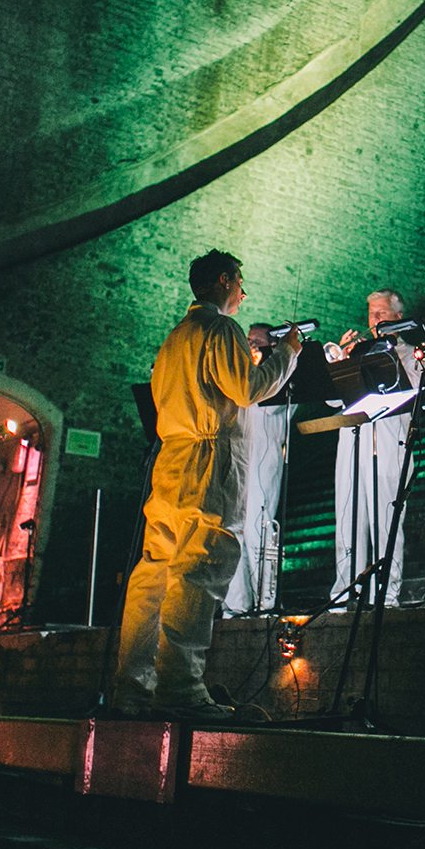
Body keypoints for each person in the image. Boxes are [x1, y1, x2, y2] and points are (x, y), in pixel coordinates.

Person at [113, 250, 299, 721]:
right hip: (208, 459)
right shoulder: (220, 329)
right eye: (240, 282)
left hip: (170, 459)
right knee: (200, 570)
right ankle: (180, 688)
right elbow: (247, 388)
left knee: (154, 574)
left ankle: (134, 688)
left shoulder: (175, 338)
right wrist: (287, 355)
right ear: (223, 281)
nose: (244, 292)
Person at [331, 288, 419, 607]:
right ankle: (346, 589)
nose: (375, 319)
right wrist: (343, 360)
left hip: (389, 441)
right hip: (353, 441)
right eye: (371, 314)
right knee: (348, 518)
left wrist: (387, 354)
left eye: (381, 313)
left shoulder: (410, 353)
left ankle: (387, 590)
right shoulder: (358, 352)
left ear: (397, 317)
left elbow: (414, 393)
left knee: (385, 519)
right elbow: (332, 399)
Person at [225, 323, 296, 615]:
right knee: (233, 532)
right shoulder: (240, 374)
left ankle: (265, 602)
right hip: (237, 460)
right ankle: (235, 604)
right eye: (248, 340)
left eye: (257, 341)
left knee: (260, 531)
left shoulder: (278, 375)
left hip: (264, 461)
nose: (250, 345)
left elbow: (271, 405)